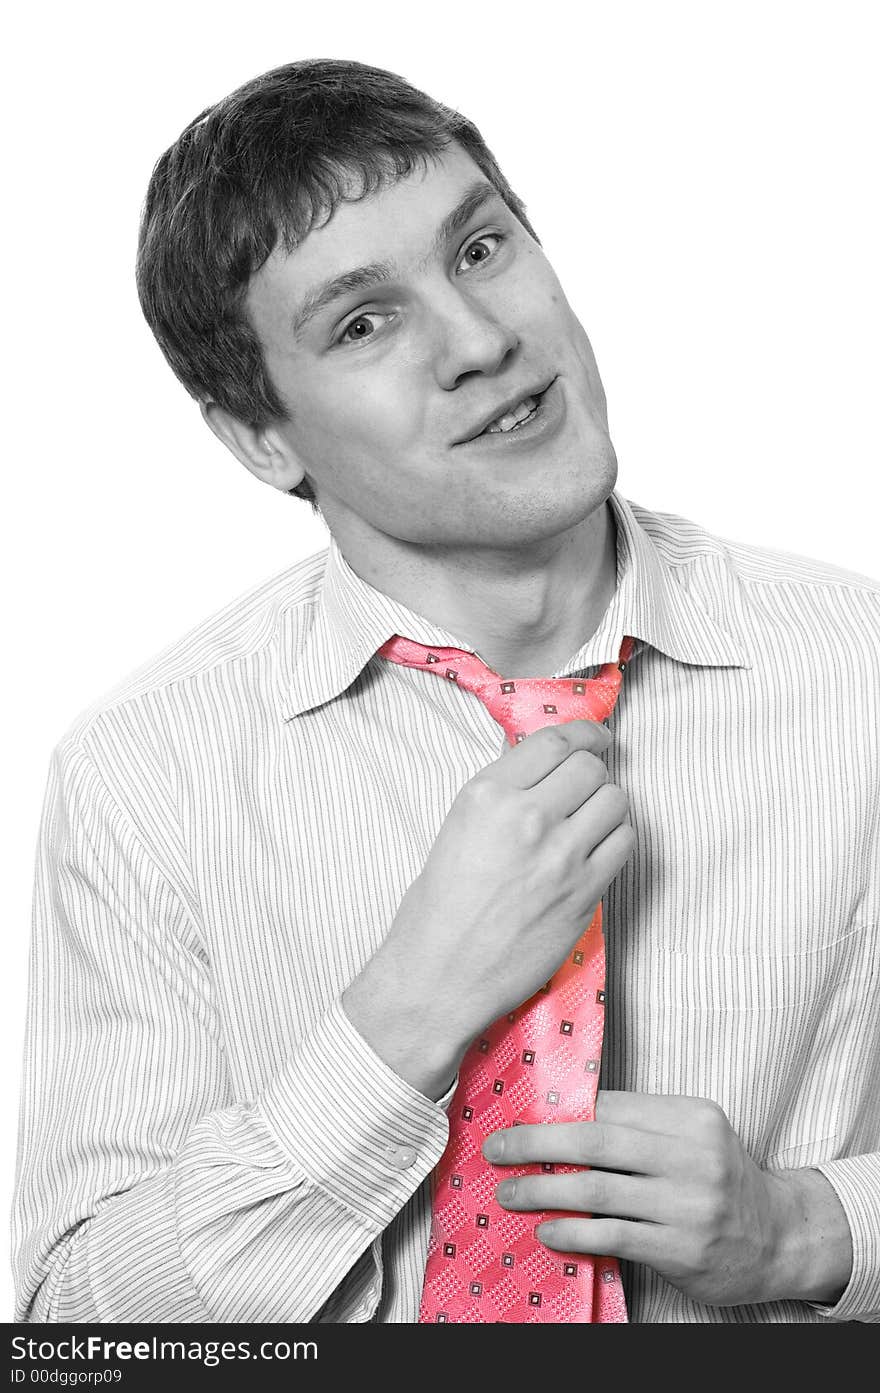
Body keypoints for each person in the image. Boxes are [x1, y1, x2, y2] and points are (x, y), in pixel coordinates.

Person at [11, 57, 879, 1325]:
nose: (483, 343)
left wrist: (814, 1230)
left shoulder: (859, 677)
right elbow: (71, 1328)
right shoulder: (144, 777)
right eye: (362, 322)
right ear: (260, 437)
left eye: (479, 250)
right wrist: (398, 1016)